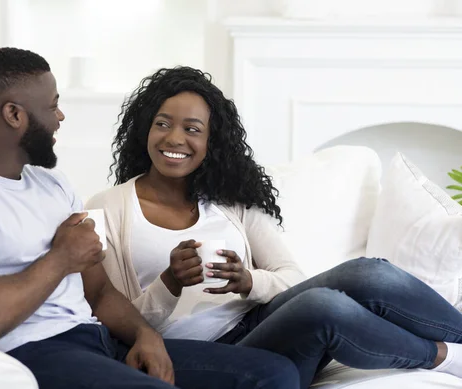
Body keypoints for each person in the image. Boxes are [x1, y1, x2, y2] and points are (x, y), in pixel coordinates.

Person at [0, 48, 299, 389]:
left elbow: (99, 293)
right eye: (52, 105)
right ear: (14, 114)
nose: (60, 116)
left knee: (274, 374)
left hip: (99, 340)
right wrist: (60, 258)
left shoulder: (52, 185)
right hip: (37, 349)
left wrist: (146, 336)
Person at [86, 65, 462, 389]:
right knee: (323, 306)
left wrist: (250, 281)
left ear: (211, 141)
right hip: (213, 356)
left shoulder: (230, 199)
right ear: (144, 130)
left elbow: (291, 277)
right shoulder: (105, 208)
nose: (174, 139)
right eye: (162, 124)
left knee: (370, 272)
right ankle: (442, 357)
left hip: (261, 323)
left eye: (192, 128)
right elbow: (112, 319)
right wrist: (169, 284)